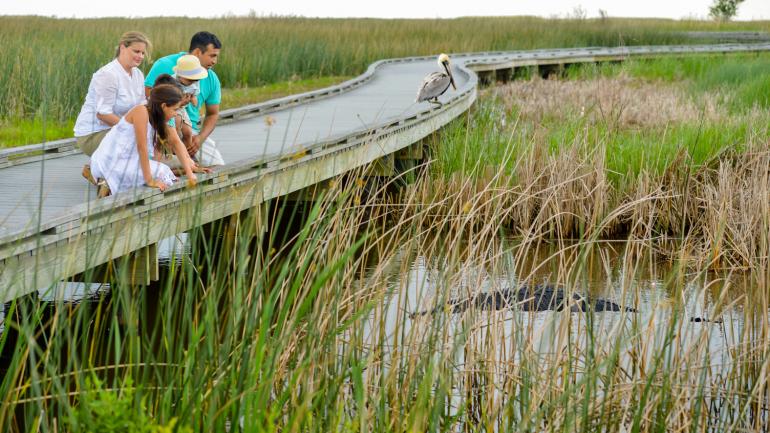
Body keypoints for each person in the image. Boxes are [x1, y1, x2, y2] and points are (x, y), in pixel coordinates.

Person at [89, 84, 198, 196]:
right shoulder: (141, 111)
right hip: (113, 160)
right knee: (157, 173)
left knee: (163, 171)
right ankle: (106, 183)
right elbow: (142, 147)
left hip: (130, 159)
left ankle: (109, 184)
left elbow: (176, 144)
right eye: (175, 109)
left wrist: (190, 173)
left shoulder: (159, 117)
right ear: (164, 106)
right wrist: (149, 180)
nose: (176, 114)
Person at [145, 31, 225, 167]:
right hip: (162, 126)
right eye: (212, 56)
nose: (214, 61)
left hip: (190, 130)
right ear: (198, 52)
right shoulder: (164, 65)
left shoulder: (211, 78)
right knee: (172, 162)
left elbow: (213, 113)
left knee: (217, 165)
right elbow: (147, 97)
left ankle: (187, 162)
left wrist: (200, 139)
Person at [74, 31, 150, 156]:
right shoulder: (108, 74)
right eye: (136, 51)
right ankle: (100, 169)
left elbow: (141, 108)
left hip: (120, 130)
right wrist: (133, 129)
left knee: (150, 141)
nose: (141, 56)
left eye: (143, 53)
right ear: (122, 48)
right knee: (139, 148)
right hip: (94, 134)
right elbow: (103, 114)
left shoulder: (138, 74)